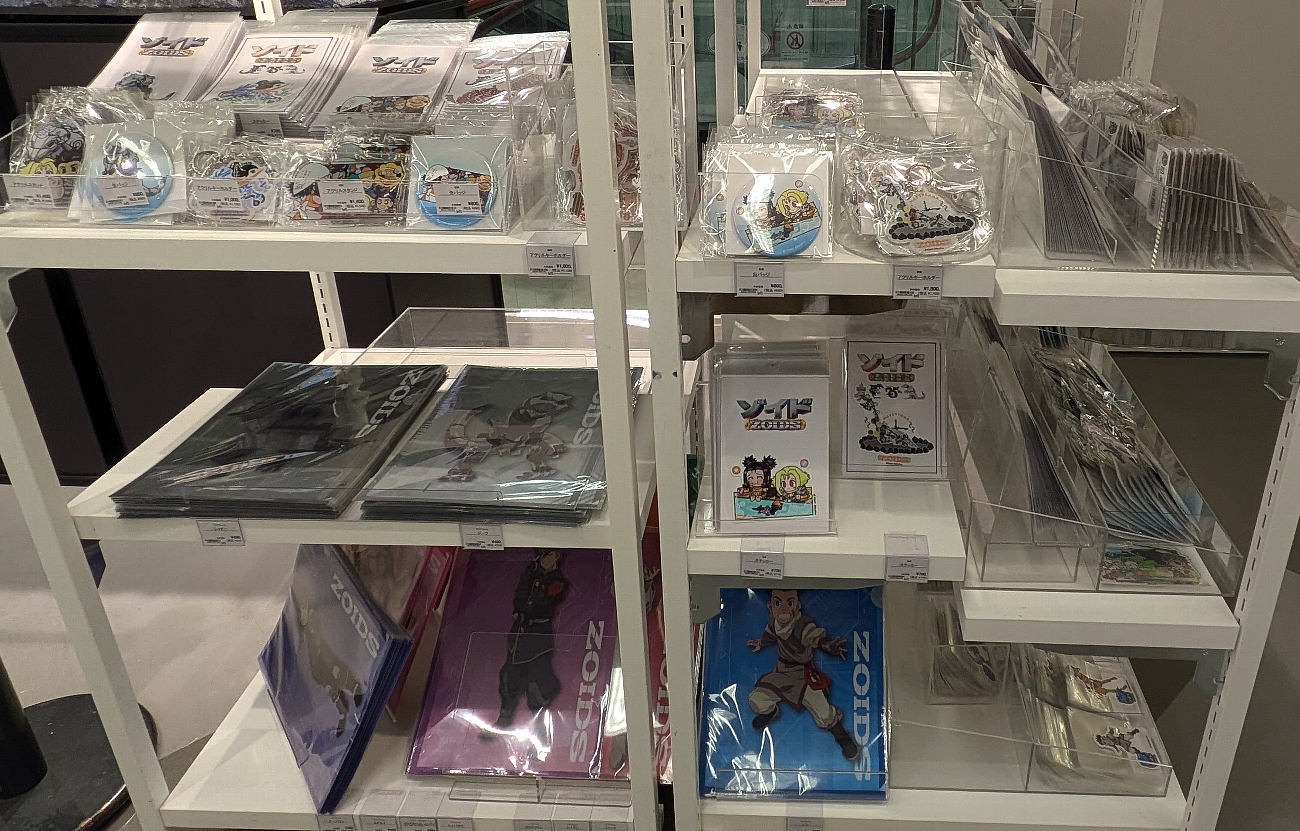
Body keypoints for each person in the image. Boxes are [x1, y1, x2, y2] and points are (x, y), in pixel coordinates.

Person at [747, 589, 858, 760]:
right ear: (770, 606)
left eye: (789, 602)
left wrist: (829, 646)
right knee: (756, 699)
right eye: (778, 603)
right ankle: (770, 711)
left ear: (797, 606)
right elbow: (770, 635)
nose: (784, 608)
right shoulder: (774, 621)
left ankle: (841, 735)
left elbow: (815, 638)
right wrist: (761, 643)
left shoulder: (802, 626)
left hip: (803, 676)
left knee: (823, 712)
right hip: (782, 672)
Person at [496, 549, 569, 728]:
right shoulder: (531, 574)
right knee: (509, 679)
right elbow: (521, 593)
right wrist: (518, 609)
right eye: (542, 556)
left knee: (537, 686)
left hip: (538, 638)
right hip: (519, 634)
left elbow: (542, 603)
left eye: (549, 556)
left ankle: (540, 727)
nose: (545, 560)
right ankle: (505, 719)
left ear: (556, 557)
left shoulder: (557, 581)